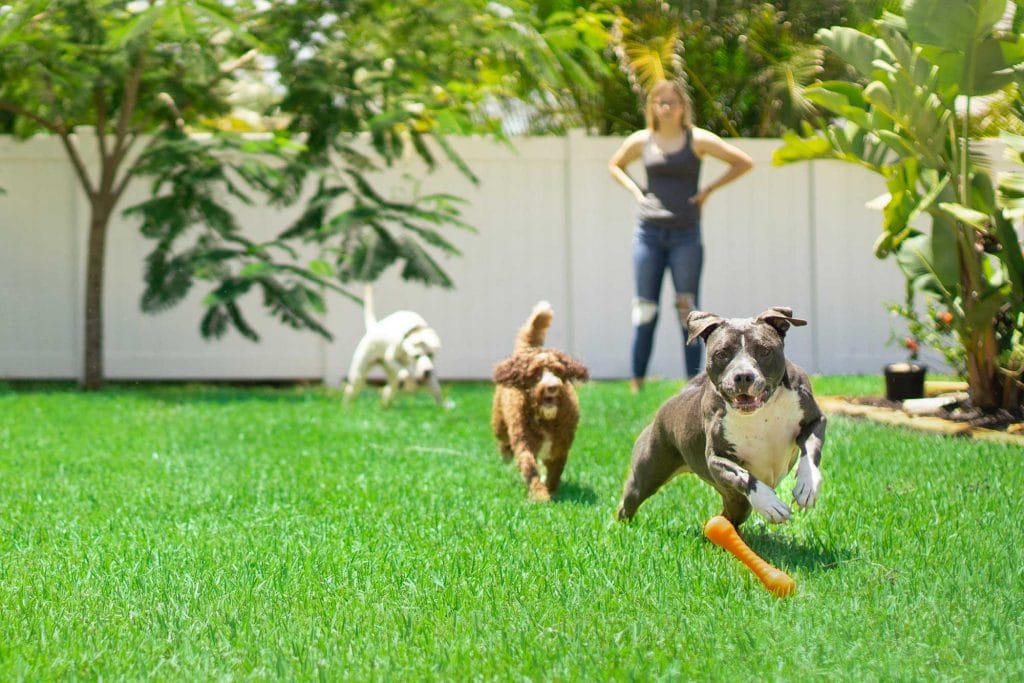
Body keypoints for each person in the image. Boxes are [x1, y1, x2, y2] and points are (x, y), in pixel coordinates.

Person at [608, 79, 753, 393]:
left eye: (672, 102)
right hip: (648, 233)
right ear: (652, 108)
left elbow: (743, 162)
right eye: (660, 102)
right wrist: (636, 191)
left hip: (685, 235)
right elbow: (615, 165)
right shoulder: (642, 141)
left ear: (683, 107)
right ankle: (637, 382)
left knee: (687, 311)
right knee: (645, 308)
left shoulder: (696, 140)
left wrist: (707, 191)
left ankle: (692, 384)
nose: (666, 107)